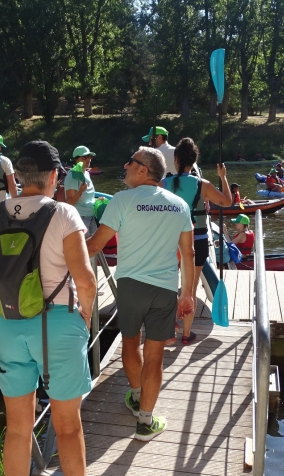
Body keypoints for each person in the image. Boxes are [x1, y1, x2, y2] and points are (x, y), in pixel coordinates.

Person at [0, 140, 97, 474]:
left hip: (7, 324)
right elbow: (85, 280)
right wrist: (84, 320)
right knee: (68, 427)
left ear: (17, 176)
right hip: (58, 324)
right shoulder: (63, 212)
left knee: (18, 428)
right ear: (55, 176)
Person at [86, 146, 195, 441]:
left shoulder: (122, 200)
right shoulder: (179, 204)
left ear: (143, 169)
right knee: (155, 356)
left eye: (130, 161)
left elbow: (94, 246)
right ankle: (145, 423)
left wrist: (59, 255)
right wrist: (187, 294)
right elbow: (188, 253)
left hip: (131, 285)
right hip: (164, 288)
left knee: (130, 344)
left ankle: (136, 396)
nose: (125, 165)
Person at [161, 138, 232, 346]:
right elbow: (227, 202)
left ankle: (171, 325)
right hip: (197, 240)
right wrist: (223, 177)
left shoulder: (164, 183)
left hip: (170, 242)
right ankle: (186, 333)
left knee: (170, 285)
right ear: (194, 161)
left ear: (176, 159)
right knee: (189, 288)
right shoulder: (202, 185)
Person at [65, 145, 99, 236]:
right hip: (80, 217)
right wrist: (80, 191)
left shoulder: (86, 173)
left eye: (90, 157)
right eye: (84, 157)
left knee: (93, 247)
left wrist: (97, 200)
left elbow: (86, 198)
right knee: (84, 248)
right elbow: (69, 202)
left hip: (91, 215)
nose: (88, 160)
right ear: (76, 160)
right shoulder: (72, 176)